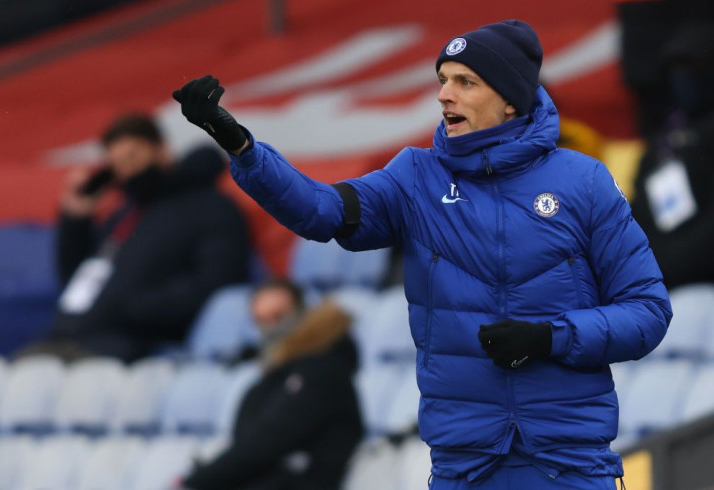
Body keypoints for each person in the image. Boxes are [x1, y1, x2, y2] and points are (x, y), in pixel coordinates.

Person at [172, 20, 671, 489]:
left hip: (569, 465)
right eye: (443, 79)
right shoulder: (414, 177)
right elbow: (320, 210)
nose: (443, 94)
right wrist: (240, 147)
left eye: (465, 82)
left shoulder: (583, 181)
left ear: (511, 102)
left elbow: (648, 311)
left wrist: (551, 338)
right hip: (466, 464)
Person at [25, 114, 251, 362]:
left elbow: (217, 281)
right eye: (117, 164)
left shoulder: (210, 207)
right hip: (71, 341)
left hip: (142, 348)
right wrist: (76, 222)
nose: (128, 170)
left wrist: (132, 308)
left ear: (161, 150)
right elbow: (77, 282)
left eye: (133, 156)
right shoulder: (123, 214)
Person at [181, 278, 363, 490]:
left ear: (301, 311)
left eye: (278, 316)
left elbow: (267, 442)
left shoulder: (320, 373)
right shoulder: (276, 375)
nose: (270, 328)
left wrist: (197, 481)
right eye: (261, 320)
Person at [630, 22, 714, 290]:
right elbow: (638, 217)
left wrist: (671, 265)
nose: (682, 78)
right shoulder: (662, 144)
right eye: (674, 71)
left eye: (692, 68)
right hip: (666, 291)